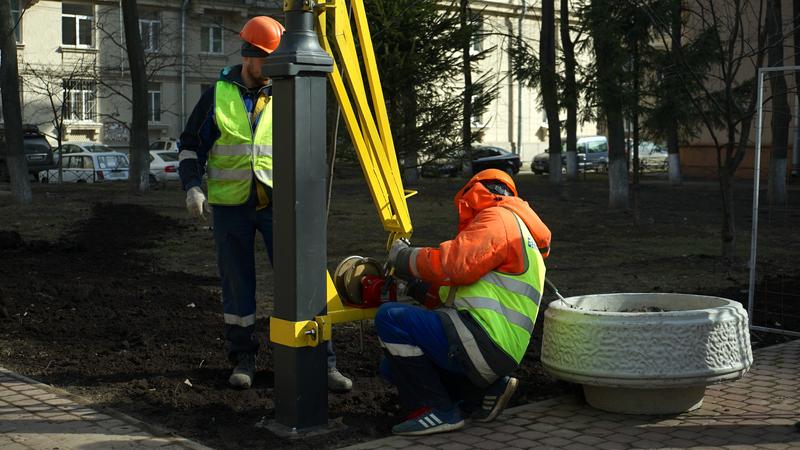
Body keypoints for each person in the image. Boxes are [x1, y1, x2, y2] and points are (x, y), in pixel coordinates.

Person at [177, 16, 352, 392]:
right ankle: (243, 358)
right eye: (269, 60)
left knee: (305, 281)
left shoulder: (286, 91)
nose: (275, 67)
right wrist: (192, 186)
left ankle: (323, 362)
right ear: (249, 56)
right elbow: (191, 145)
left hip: (280, 206)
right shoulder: (216, 96)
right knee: (237, 285)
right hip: (231, 208)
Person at [376, 168, 551, 436]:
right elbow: (456, 292)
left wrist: (404, 257)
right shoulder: (521, 233)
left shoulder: (498, 217)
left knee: (390, 318)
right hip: (496, 349)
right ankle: (480, 393)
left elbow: (455, 264)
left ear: (476, 194)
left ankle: (439, 410)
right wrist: (415, 287)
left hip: (480, 340)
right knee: (392, 367)